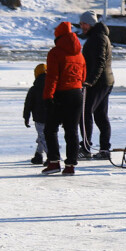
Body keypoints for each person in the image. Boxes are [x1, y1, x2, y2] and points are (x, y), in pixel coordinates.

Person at [42, 20, 86, 175]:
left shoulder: (55, 53)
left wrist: (48, 96)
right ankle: (70, 165)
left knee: (50, 129)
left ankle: (54, 162)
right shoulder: (79, 54)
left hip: (61, 94)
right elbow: (83, 76)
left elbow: (52, 77)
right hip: (76, 94)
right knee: (72, 130)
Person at [78, 11, 114, 161]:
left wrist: (90, 81)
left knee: (84, 113)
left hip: (98, 83)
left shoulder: (98, 38)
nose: (81, 27)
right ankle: (104, 149)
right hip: (105, 81)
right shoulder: (99, 36)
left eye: (83, 24)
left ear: (90, 24)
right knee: (100, 116)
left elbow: (99, 62)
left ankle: (86, 148)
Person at [22, 63, 50, 165]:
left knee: (43, 137)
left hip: (39, 118)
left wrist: (26, 117)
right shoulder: (53, 86)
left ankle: (51, 157)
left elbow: (28, 104)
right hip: (52, 117)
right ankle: (38, 154)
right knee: (43, 136)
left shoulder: (34, 89)